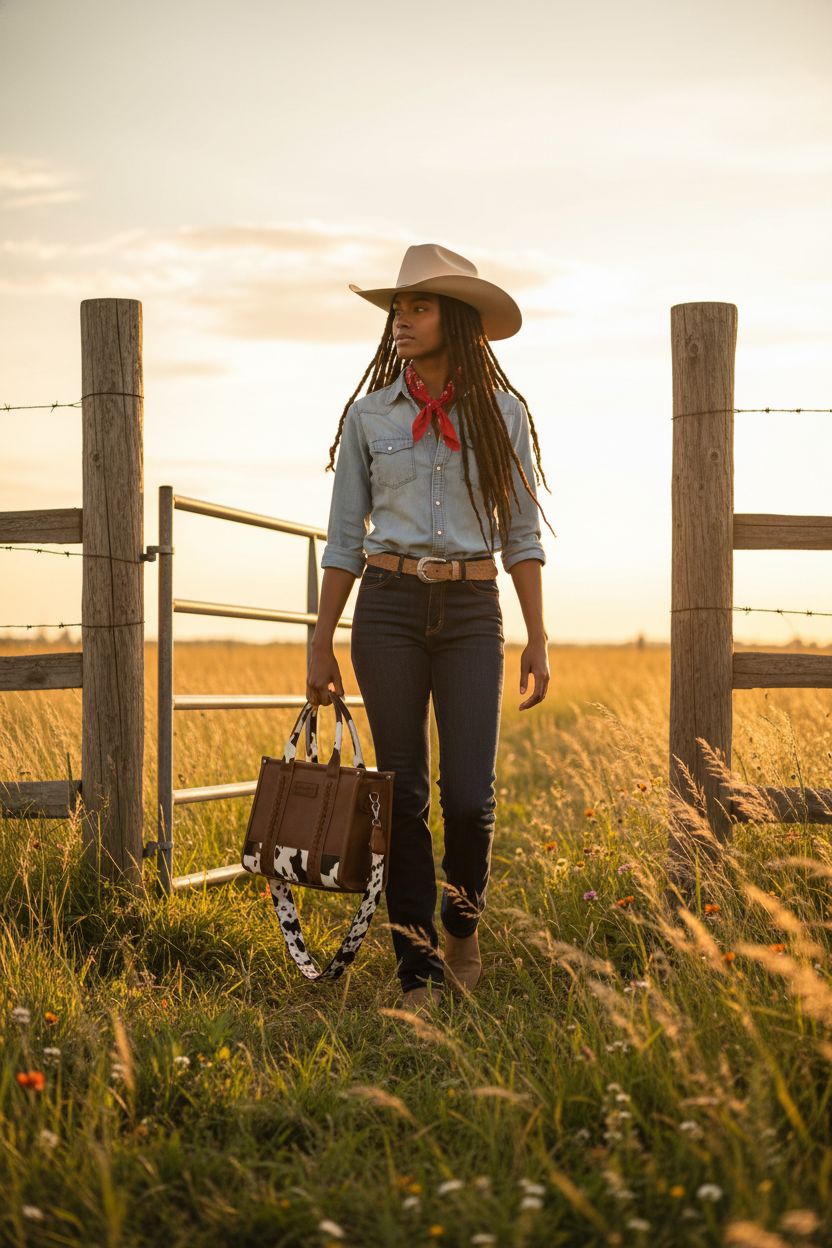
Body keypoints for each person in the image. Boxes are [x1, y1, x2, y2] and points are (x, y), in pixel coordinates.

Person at [306, 243, 552, 1011]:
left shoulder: (503, 412)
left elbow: (523, 534)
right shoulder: (369, 416)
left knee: (470, 796)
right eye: (398, 308)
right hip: (387, 607)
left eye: (417, 306)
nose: (401, 320)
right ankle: (416, 969)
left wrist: (538, 635)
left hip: (475, 611)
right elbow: (345, 538)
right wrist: (320, 641)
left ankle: (461, 927)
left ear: (457, 319)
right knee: (402, 788)